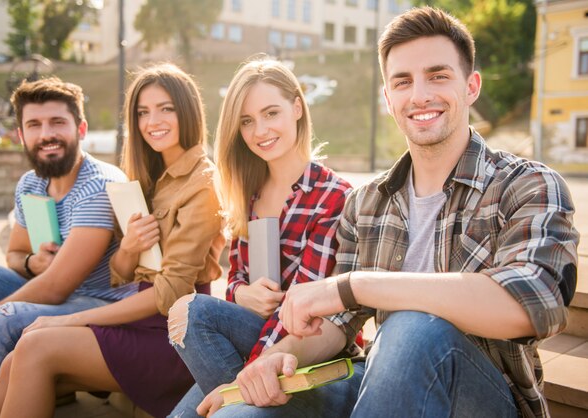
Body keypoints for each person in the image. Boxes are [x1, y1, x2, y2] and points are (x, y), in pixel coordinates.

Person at [195, 7, 580, 418]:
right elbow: (336, 324)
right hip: (380, 382)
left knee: (413, 326)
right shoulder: (367, 203)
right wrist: (278, 354)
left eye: (438, 75)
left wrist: (358, 285)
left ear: (471, 86)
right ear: (387, 98)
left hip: (486, 400)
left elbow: (534, 304)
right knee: (239, 413)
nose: (419, 95)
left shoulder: (527, 184)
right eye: (402, 82)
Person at [0, 64, 226, 418]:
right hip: (135, 320)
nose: (153, 120)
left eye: (165, 108)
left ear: (186, 110)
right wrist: (128, 249)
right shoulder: (146, 176)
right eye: (143, 112)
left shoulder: (202, 183)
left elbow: (169, 295)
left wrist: (67, 321)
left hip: (172, 337)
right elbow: (120, 275)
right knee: (15, 360)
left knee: (34, 346)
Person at [166, 58, 352, 417]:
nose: (259, 130)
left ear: (297, 107)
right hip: (254, 335)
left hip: (302, 349)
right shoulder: (248, 194)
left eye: (271, 113)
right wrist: (243, 293)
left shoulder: (332, 196)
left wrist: (239, 383)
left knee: (192, 312)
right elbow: (235, 278)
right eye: (247, 121)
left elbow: (307, 315)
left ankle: (243, 399)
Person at [0, 77, 137, 417]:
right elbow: (15, 255)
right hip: (55, 294)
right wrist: (32, 263)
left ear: (81, 128)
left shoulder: (99, 185)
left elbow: (57, 288)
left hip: (101, 307)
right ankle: (31, 383)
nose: (46, 134)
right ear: (21, 134)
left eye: (58, 122)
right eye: (34, 124)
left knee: (4, 317)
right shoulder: (32, 183)